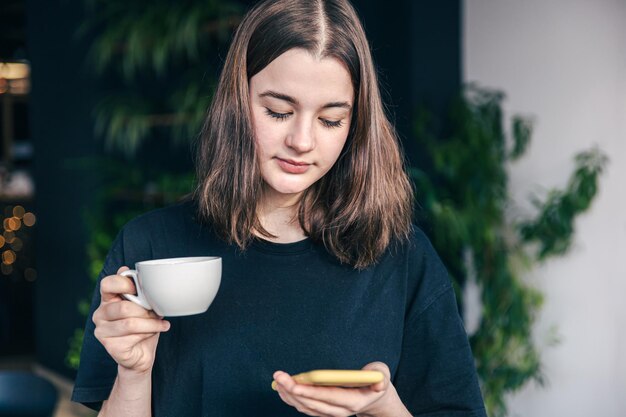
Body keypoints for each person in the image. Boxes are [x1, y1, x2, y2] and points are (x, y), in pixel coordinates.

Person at [71, 0, 487, 416]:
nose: (302, 141)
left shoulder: (401, 257)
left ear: (355, 123)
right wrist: (133, 371)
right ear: (237, 101)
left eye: (330, 120)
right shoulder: (150, 248)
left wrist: (385, 409)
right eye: (278, 111)